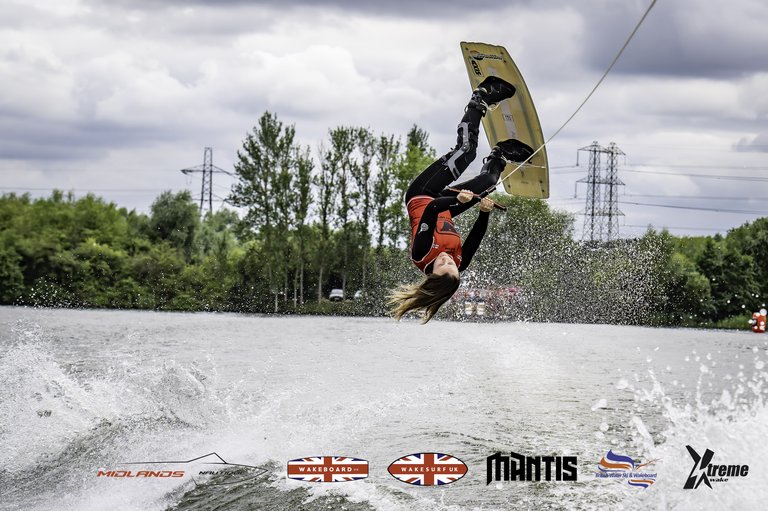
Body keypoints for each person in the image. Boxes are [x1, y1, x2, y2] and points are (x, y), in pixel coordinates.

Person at [389, 75, 534, 323]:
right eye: (452, 266)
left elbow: (433, 208)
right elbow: (475, 237)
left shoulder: (421, 252)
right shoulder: (460, 263)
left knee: (466, 152)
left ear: (432, 273)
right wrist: (483, 213)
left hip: (423, 195)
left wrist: (463, 202)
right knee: (488, 184)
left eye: (442, 264)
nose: (447, 260)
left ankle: (480, 97)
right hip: (447, 208)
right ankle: (500, 154)